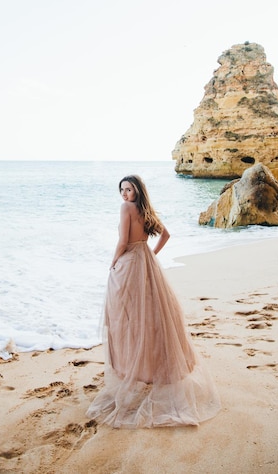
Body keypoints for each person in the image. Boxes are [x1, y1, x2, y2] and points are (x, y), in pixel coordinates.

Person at [86, 175, 221, 428]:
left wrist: (114, 261)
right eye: (122, 190)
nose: (125, 194)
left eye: (129, 189)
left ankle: (135, 370)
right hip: (146, 262)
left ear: (137, 190)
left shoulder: (126, 208)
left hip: (130, 264)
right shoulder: (145, 209)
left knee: (127, 318)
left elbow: (123, 241)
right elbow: (166, 235)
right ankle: (150, 370)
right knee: (153, 317)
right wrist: (151, 253)